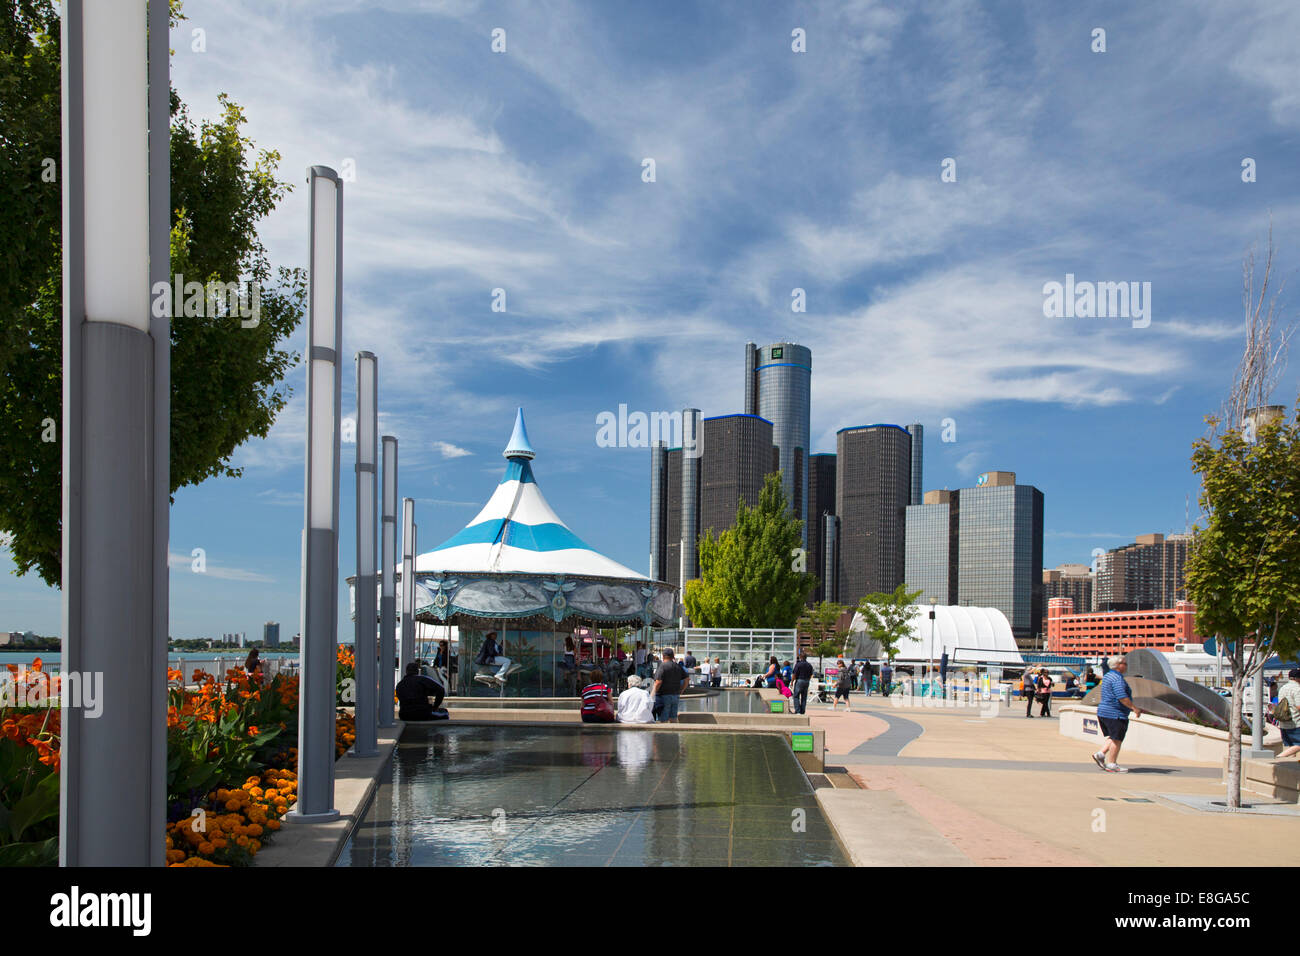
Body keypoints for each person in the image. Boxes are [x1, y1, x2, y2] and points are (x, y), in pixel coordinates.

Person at [1090, 654, 1143, 773]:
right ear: (1118, 666)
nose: (1126, 666)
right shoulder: (1117, 679)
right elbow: (1122, 697)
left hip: (1104, 711)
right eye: (1124, 663)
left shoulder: (1108, 676)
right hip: (1115, 713)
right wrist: (1134, 708)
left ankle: (1100, 754)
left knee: (1113, 736)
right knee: (1117, 739)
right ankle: (1112, 764)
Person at [653, 648, 686, 723]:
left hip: (663, 696)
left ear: (663, 656)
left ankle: (663, 735)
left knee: (663, 720)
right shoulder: (678, 666)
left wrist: (653, 693)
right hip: (675, 695)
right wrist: (682, 689)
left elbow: (658, 681)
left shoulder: (662, 666)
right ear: (673, 656)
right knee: (673, 718)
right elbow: (687, 679)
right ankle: (674, 734)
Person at [1275, 669, 1300, 760]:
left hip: (1283, 723)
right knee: (1298, 745)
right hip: (1295, 723)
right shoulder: (1297, 689)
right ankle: (1278, 757)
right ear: (1297, 678)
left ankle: (1289, 763)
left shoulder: (1283, 688)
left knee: (1291, 746)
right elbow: (1298, 706)